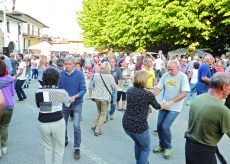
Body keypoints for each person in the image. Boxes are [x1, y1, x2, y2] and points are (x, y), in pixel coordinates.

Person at [122, 70, 169, 164]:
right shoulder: (148, 94)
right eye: (148, 79)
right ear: (144, 81)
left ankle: (138, 161)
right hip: (139, 127)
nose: (149, 81)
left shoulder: (130, 90)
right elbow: (157, 106)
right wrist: (166, 105)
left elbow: (138, 101)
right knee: (145, 148)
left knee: (138, 143)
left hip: (127, 123)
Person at [185, 72, 230, 164]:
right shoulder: (222, 110)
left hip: (190, 146)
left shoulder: (198, 98)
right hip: (204, 152)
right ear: (224, 87)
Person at [153, 60, 190, 159]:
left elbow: (184, 93)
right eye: (168, 69)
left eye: (171, 69)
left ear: (177, 67)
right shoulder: (165, 76)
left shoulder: (183, 77)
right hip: (164, 105)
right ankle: (162, 145)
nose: (169, 71)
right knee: (159, 126)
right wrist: (149, 97)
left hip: (175, 107)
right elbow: (158, 89)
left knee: (165, 127)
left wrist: (172, 102)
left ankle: (168, 147)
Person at [35, 68, 71, 164]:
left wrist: (49, 101)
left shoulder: (38, 91)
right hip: (57, 121)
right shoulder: (62, 92)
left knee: (47, 147)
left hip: (43, 121)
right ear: (57, 79)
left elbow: (40, 105)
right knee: (59, 148)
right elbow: (68, 104)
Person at [59, 56, 86, 160]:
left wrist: (75, 96)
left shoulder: (79, 74)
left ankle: (77, 147)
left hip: (77, 103)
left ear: (74, 64)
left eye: (70, 64)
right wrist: (64, 97)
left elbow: (83, 89)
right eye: (66, 64)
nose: (68, 66)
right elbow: (59, 87)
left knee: (76, 126)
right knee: (62, 124)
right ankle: (65, 139)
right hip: (65, 103)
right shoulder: (61, 74)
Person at [91, 62, 117, 136]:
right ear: (108, 68)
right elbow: (115, 88)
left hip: (96, 97)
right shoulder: (110, 77)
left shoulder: (96, 75)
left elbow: (92, 86)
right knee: (103, 114)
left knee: (99, 111)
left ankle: (94, 125)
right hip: (105, 98)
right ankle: (97, 130)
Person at [0, 61, 14, 157]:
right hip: (9, 105)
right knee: (4, 126)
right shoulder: (10, 79)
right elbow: (12, 93)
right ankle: (3, 147)